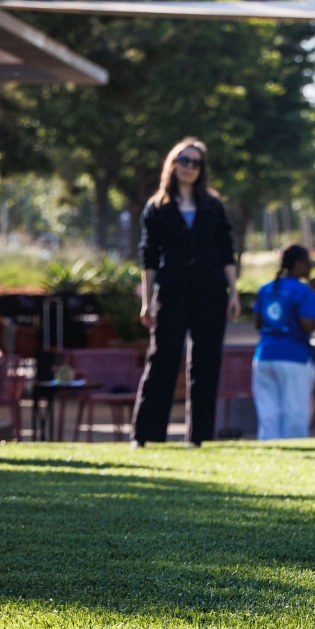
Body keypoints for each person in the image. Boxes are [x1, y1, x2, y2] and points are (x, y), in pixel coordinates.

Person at [132, 138, 240, 448]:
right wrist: (146, 301)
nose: (188, 167)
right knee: (162, 360)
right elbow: (149, 257)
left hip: (210, 291)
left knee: (205, 364)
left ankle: (200, 437)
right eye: (183, 160)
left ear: (202, 169)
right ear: (173, 163)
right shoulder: (157, 207)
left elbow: (225, 251)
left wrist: (233, 293)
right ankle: (147, 435)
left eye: (195, 162)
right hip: (173, 291)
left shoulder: (213, 206)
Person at [252, 244, 315, 440]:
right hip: (293, 356)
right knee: (295, 412)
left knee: (268, 412)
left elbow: (258, 323)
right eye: (308, 263)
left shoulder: (266, 289)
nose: (310, 268)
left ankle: (268, 448)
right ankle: (296, 450)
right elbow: (307, 325)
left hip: (264, 356)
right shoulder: (303, 291)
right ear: (299, 264)